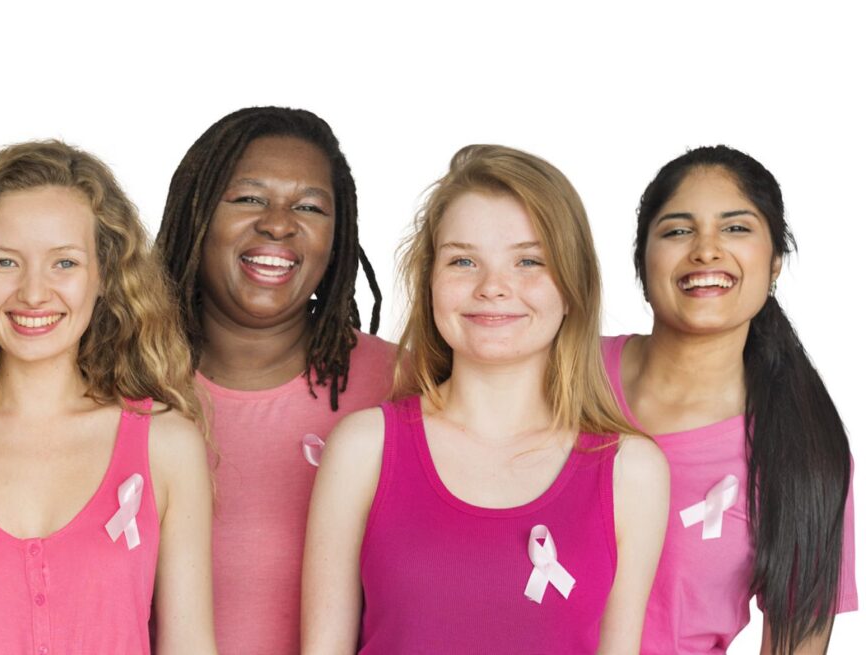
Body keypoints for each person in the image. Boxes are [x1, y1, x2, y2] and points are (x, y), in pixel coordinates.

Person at [301, 144, 668, 653]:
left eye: (528, 260)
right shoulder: (364, 448)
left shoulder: (633, 470)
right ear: (430, 280)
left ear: (573, 286)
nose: (494, 286)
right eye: (464, 260)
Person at [0, 140, 216, 654]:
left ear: (104, 276)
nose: (32, 293)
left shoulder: (167, 447)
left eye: (64, 263)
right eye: (6, 262)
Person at [154, 106, 393, 653]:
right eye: (249, 198)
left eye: (309, 206)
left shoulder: (403, 387)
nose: (279, 223)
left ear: (338, 235)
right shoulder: (116, 383)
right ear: (196, 214)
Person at [606, 145, 856, 654]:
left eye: (736, 228)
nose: (706, 250)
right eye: (678, 230)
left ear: (775, 262)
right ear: (641, 260)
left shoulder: (803, 453)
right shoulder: (563, 371)